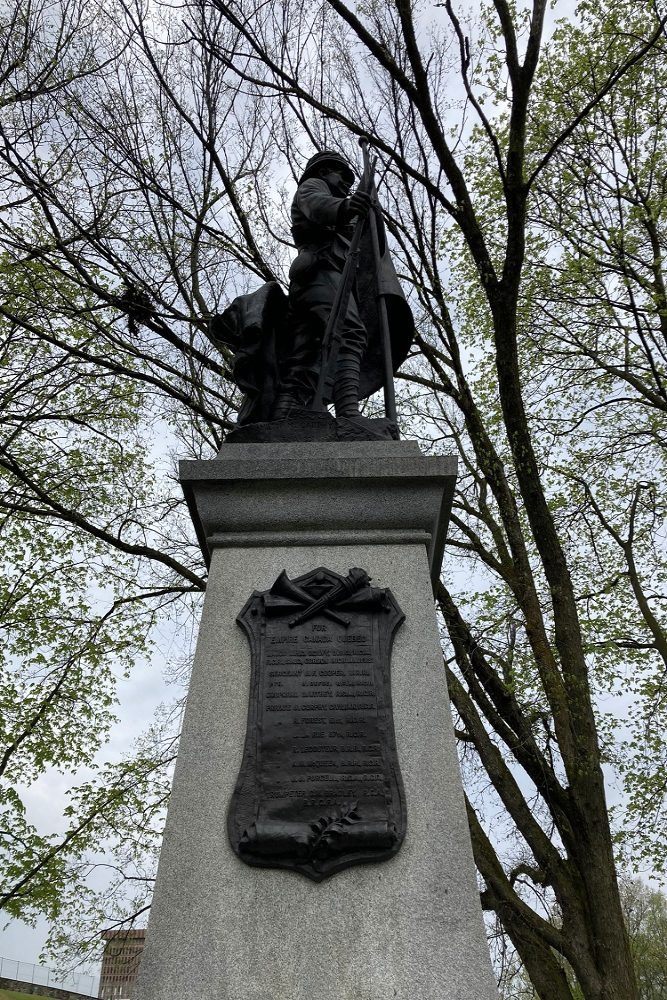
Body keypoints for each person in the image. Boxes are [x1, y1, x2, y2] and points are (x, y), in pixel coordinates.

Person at [272, 150, 372, 420]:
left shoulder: (338, 205)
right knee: (349, 332)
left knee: (306, 351)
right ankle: (348, 411)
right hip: (321, 271)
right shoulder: (313, 186)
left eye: (351, 181)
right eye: (342, 175)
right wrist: (347, 206)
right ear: (323, 171)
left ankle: (284, 414)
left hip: (319, 277)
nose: (346, 184)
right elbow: (317, 206)